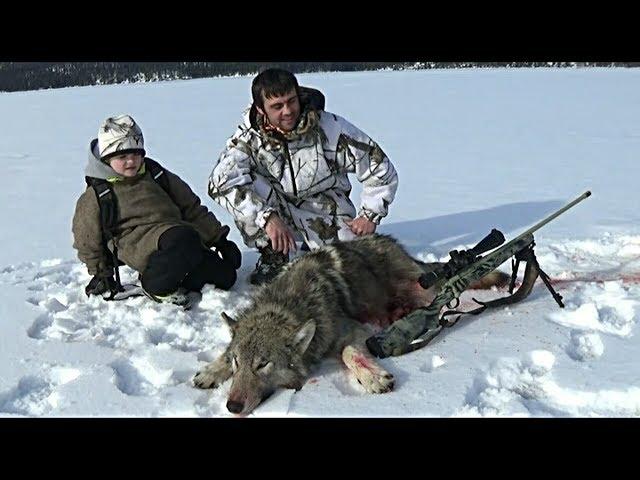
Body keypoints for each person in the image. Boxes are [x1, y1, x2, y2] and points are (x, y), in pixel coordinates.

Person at [208, 68, 398, 285]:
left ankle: (317, 245)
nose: (288, 111)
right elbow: (219, 182)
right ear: (261, 109)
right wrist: (266, 218)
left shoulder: (330, 128)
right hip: (277, 208)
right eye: (277, 106)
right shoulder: (248, 138)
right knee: (244, 186)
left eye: (291, 101)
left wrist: (370, 215)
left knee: (350, 268)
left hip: (323, 209)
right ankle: (274, 254)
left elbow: (379, 166)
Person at [73, 114, 241, 305]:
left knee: (226, 277)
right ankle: (154, 285)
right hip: (138, 243)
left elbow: (191, 207)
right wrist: (101, 273)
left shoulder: (155, 173)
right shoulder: (98, 194)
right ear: (106, 158)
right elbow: (87, 239)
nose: (131, 161)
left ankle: (176, 275)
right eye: (122, 156)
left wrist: (220, 239)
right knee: (184, 238)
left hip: (178, 237)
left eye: (136, 154)